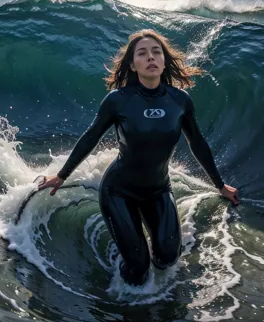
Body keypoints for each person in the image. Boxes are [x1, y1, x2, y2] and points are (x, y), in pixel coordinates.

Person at [37, 29, 239, 286]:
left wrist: (220, 186)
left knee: (167, 257)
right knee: (137, 269)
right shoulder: (118, 100)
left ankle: (140, 253)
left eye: (157, 52)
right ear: (133, 65)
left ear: (164, 61)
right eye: (142, 54)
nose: (151, 57)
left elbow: (197, 143)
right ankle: (126, 279)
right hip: (119, 192)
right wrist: (61, 175)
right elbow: (91, 137)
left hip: (158, 189)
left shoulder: (180, 100)